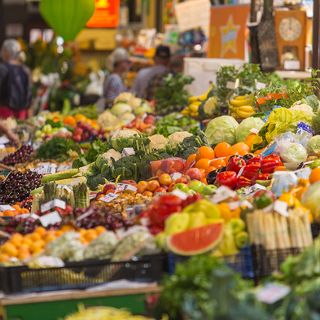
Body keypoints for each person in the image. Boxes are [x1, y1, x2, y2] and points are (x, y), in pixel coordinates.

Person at [0, 39, 32, 119]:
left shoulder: (3, 68)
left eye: (3, 50)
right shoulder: (25, 70)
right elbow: (29, 94)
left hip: (4, 113)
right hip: (22, 113)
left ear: (7, 52)